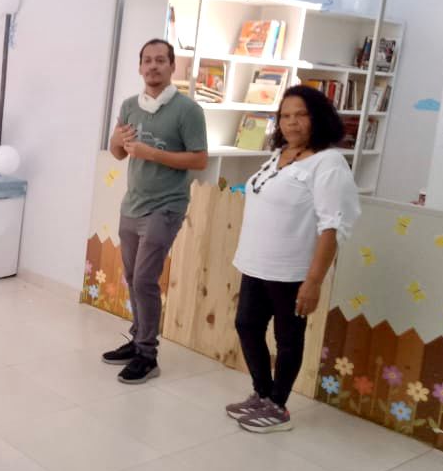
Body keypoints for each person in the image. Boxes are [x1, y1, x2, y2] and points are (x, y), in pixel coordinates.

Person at [226, 86, 361, 433]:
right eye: (285, 116)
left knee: (287, 339)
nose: (292, 122)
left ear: (318, 118)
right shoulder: (280, 155)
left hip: (292, 271)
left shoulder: (328, 163)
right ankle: (262, 393)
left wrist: (313, 281)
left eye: (301, 115)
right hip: (256, 263)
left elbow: (332, 226)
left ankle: (278, 406)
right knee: (247, 326)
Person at [101, 38, 208, 384]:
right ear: (140, 67)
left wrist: (152, 154)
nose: (153, 66)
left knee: (145, 279)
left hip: (166, 206)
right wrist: (118, 140)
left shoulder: (188, 110)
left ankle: (147, 355)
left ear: (172, 66)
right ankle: (137, 339)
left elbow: (200, 160)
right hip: (133, 204)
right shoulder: (130, 105)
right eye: (147, 60)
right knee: (133, 277)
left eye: (161, 60)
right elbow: (118, 152)